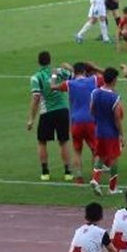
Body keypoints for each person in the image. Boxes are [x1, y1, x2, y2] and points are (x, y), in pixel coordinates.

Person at [50, 61, 102, 184]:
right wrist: (95, 67)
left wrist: (53, 75)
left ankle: (78, 177)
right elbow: (108, 74)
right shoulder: (93, 80)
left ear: (74, 72)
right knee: (96, 151)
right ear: (85, 72)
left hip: (75, 122)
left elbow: (52, 87)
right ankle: (95, 177)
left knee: (77, 151)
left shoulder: (69, 84)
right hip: (90, 120)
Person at [27, 50, 73, 182]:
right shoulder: (59, 71)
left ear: (38, 62)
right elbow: (75, 76)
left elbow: (36, 98)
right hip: (63, 110)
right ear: (50, 60)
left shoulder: (36, 77)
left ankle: (45, 172)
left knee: (42, 142)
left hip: (47, 112)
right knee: (63, 141)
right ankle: (68, 172)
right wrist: (68, 67)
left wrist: (31, 118)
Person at [89, 67, 125, 195]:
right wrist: (121, 134)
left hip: (99, 131)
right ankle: (112, 188)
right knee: (114, 158)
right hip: (111, 133)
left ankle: (95, 179)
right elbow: (117, 118)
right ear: (114, 79)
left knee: (101, 156)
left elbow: (91, 110)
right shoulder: (114, 97)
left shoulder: (95, 92)